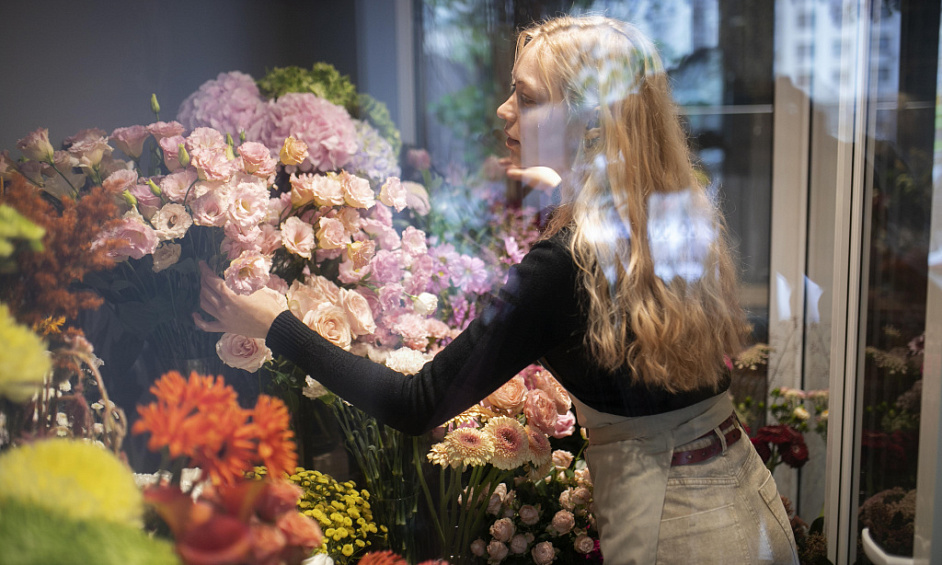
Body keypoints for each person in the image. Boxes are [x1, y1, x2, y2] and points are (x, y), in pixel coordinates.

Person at [195, 15, 799, 564]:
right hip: (744, 499)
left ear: (590, 123)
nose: (504, 111)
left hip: (677, 529)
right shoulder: (664, 211)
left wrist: (275, 323)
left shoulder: (565, 265)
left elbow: (416, 403)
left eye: (528, 99)